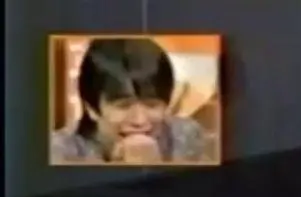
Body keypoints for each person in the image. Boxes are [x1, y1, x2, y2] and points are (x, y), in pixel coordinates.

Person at [50, 37, 214, 165]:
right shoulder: (57, 152)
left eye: (152, 105)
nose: (139, 121)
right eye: (123, 106)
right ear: (91, 109)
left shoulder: (186, 136)